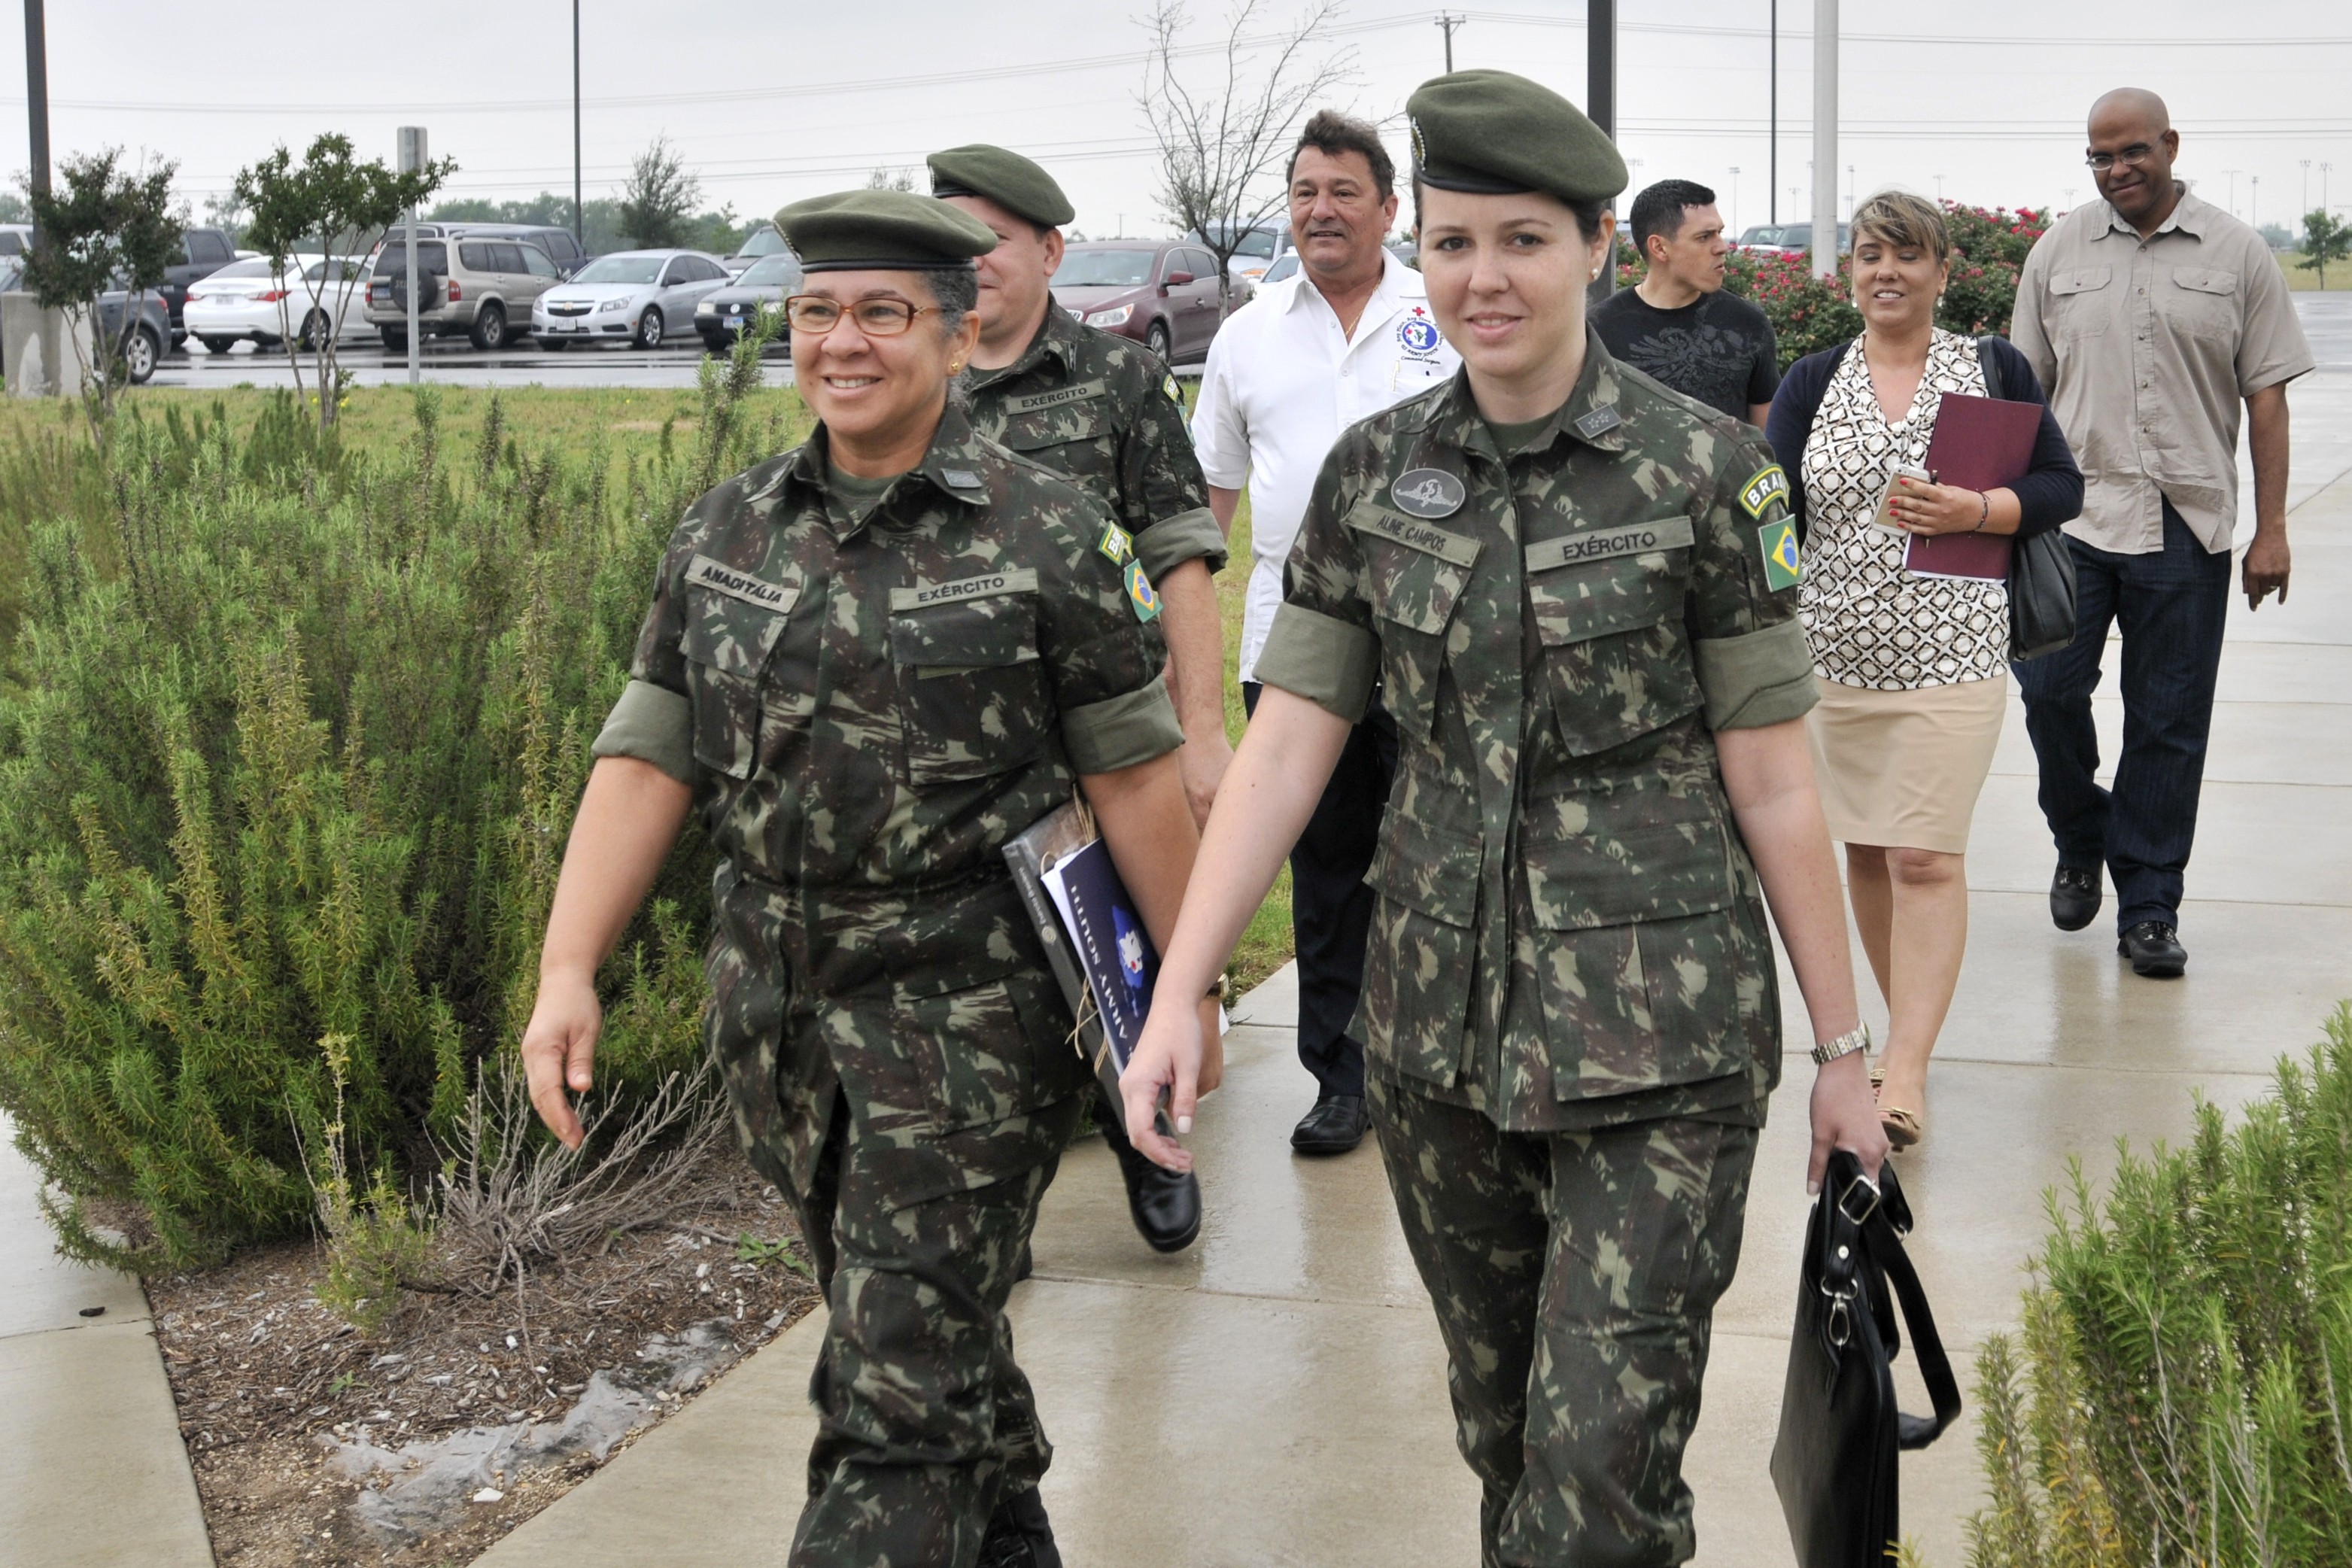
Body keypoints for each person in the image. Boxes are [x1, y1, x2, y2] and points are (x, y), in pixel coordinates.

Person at [1123, 71, 1888, 1567]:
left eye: (1523, 240)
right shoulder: (1373, 475)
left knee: (1599, 1478)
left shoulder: (1708, 476)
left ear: (1600, 244)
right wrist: (1178, 992)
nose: (1483, 278)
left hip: (1659, 1048)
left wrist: (1846, 1054)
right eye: (1456, 242)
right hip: (1439, 1043)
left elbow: (1778, 780)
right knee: (1511, 1444)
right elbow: (1287, 750)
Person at [516, 189, 1219, 1568]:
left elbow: (1136, 782)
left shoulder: (1054, 535)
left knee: (889, 1396)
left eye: (882, 313)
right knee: (924, 1338)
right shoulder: (727, 530)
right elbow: (650, 752)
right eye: (817, 312)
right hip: (777, 1015)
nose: (843, 342)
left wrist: (1177, 996)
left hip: (971, 1022)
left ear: (958, 339)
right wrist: (565, 966)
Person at [930, 141, 1221, 1255]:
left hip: (1101, 733)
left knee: (1119, 955)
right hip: (964, 741)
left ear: (1048, 251)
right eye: (952, 246)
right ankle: (988, 1205)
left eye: (992, 242)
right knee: (974, 975)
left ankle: (1147, 1130)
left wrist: (1200, 732)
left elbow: (1182, 556)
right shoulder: (920, 375)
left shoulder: (1116, 381)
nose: (972, 266)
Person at [1765, 190, 2083, 1149]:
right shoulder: (1813, 378)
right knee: (1865, 850)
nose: (1886, 272)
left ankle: (1901, 1075)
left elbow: (2059, 486)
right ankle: (1908, 1040)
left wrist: (1976, 509)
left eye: (1907, 257)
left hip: (1955, 652)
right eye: (1869, 256)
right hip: (1832, 662)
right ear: (1850, 272)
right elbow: (1771, 509)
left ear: (1944, 272)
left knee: (1924, 854)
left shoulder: (1991, 369)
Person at [1191, 108, 1461, 1156]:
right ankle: (1340, 1077)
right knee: (1329, 868)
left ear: (1389, 209)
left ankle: (1439, 1063)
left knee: (1442, 856)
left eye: (1343, 191)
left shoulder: (1437, 310)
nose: (1320, 210)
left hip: (1440, 635)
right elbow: (1208, 499)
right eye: (1304, 192)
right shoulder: (1246, 334)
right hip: (1296, 643)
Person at [2009, 88, 2314, 978]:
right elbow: (2021, 392)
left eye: (2132, 151)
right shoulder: (2058, 250)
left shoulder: (2238, 251)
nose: (2117, 170)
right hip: (2072, 518)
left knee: (2170, 721)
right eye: (2100, 157)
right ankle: (2081, 834)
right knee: (2048, 690)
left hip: (2189, 522)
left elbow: (2267, 396)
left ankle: (2149, 905)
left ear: (2170, 145)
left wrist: (2273, 528)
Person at [1591, 178, 1780, 426]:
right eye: (1704, 237)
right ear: (1659, 247)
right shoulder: (1599, 330)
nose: (1722, 247)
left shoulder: (1748, 324)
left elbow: (1767, 442)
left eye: (1719, 233)